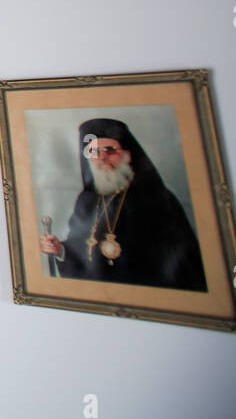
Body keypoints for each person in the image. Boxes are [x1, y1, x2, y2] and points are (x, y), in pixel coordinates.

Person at [39, 118, 207, 291]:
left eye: (110, 150)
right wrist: (60, 250)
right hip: (98, 297)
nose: (102, 157)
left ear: (128, 154)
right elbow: (80, 249)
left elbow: (180, 261)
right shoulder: (86, 201)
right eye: (94, 152)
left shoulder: (156, 197)